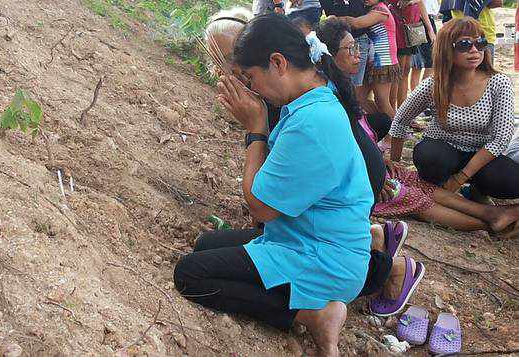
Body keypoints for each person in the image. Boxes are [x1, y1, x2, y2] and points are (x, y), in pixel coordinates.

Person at [174, 14, 415, 355]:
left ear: (277, 63)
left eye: (251, 78)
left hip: (322, 257)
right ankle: (336, 283)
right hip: (306, 237)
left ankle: (314, 314)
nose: (252, 88)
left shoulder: (311, 122)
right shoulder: (313, 98)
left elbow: (260, 207)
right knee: (205, 245)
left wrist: (255, 129)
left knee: (190, 274)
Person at [389, 17, 519, 200]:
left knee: (511, 181)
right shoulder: (434, 85)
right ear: (447, 49)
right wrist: (395, 163)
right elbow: (400, 120)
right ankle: (439, 185)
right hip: (443, 150)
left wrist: (459, 179)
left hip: (482, 154)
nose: (474, 50)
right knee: (430, 157)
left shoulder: (498, 83)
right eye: (464, 44)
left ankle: (475, 190)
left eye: (480, 43)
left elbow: (501, 139)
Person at [339, 0, 401, 120]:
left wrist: (334, 19)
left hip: (383, 62)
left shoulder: (381, 11)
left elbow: (357, 23)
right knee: (360, 99)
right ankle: (385, 124)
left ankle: (396, 134)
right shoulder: (374, 9)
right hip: (374, 62)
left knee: (382, 102)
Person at [388, 0, 436, 110]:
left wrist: (430, 30)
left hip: (410, 29)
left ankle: (402, 111)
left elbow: (420, 4)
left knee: (405, 71)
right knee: (397, 74)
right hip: (397, 29)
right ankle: (392, 113)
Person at [410, 0, 440, 91]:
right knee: (427, 64)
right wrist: (430, 29)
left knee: (420, 65)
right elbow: (419, 2)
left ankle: (418, 95)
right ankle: (420, 95)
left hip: (423, 19)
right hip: (423, 20)